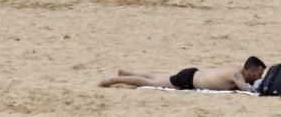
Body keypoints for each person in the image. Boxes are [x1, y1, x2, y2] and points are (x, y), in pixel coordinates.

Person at [99, 56, 266, 90]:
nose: (260, 77)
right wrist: (262, 87)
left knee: (158, 77)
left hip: (193, 74)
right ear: (249, 69)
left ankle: (126, 72)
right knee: (151, 83)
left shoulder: (237, 69)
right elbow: (247, 89)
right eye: (259, 73)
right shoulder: (237, 75)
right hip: (189, 80)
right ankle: (114, 79)